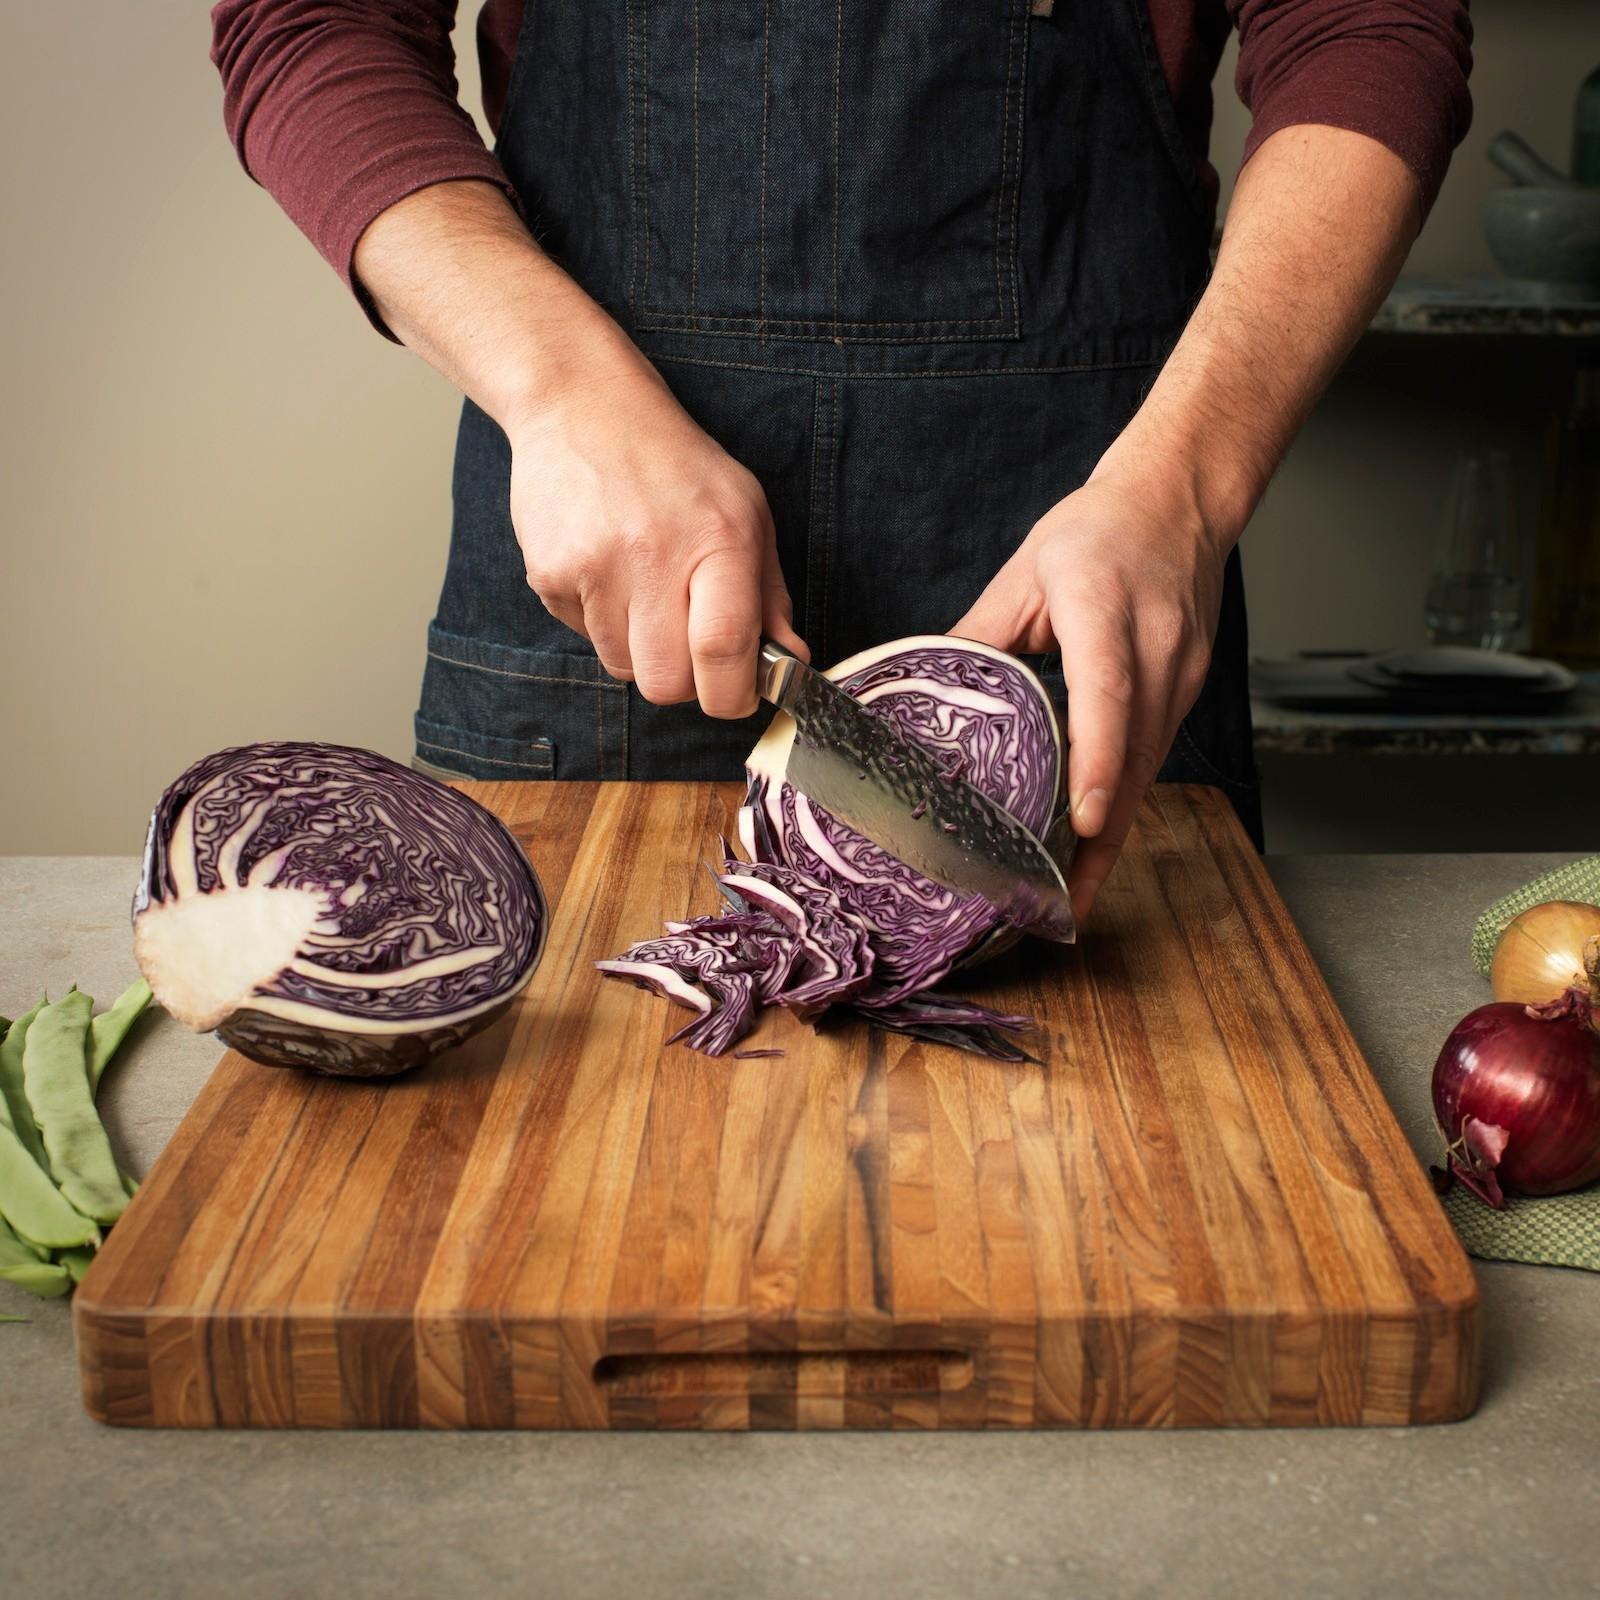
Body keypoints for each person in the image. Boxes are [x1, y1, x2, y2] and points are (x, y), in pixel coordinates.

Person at [211, 1, 1471, 919]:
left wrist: (1190, 488)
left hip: (1082, 591)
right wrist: (561, 395)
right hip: (606, 616)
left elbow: (1371, 25)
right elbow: (313, 24)